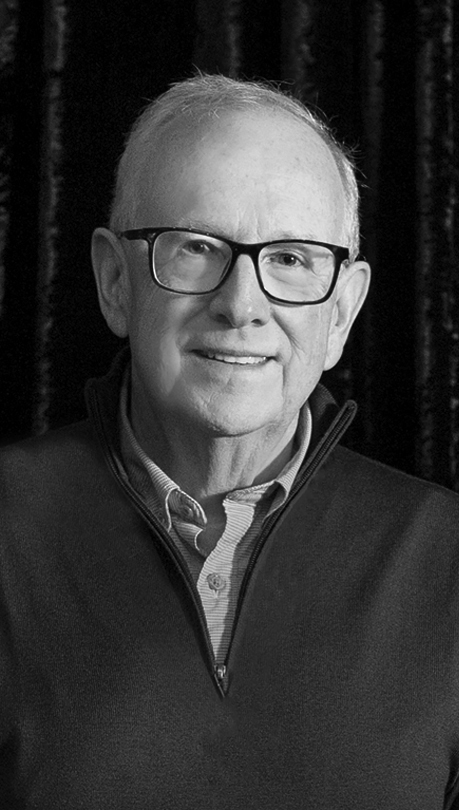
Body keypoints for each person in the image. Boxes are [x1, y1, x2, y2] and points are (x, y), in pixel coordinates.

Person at [1, 73, 459, 810]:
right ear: (115, 281)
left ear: (342, 313)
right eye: (196, 247)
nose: (241, 304)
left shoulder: (444, 560)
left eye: (291, 259)